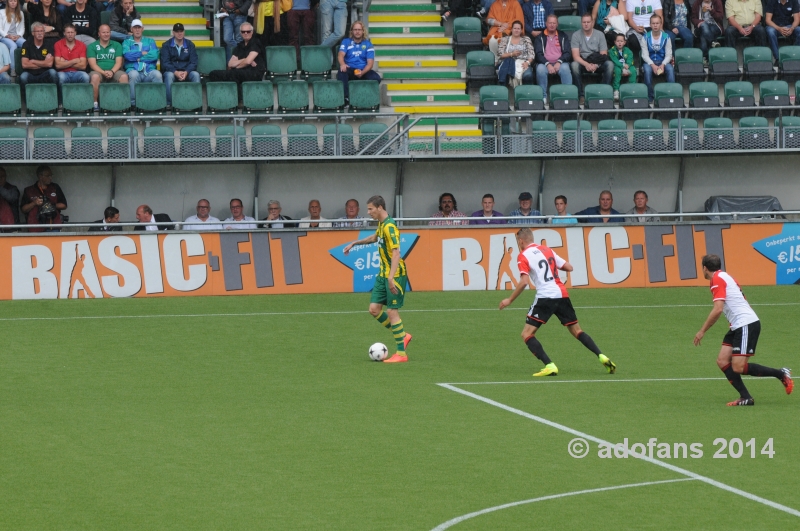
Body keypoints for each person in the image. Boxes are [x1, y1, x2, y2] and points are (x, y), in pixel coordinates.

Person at [499, 227, 617, 376]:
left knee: (527, 334)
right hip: (562, 294)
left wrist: (509, 299)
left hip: (545, 296)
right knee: (577, 331)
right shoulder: (547, 250)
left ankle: (549, 365)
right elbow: (569, 267)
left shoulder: (523, 256)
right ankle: (602, 356)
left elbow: (524, 282)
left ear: (521, 241)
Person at [693, 254, 793, 406]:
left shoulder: (716, 279)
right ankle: (746, 397)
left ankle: (781, 374)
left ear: (705, 268)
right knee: (722, 360)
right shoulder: (725, 276)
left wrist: (702, 331)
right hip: (738, 325)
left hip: (745, 324)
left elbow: (718, 309)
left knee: (738, 366)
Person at [343, 195, 413, 363]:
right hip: (383, 275)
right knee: (374, 309)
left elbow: (396, 253)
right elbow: (375, 238)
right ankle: (403, 335)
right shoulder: (382, 224)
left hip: (395, 275)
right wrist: (355, 243)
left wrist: (390, 278)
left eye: (370, 209)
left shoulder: (390, 227)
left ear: (380, 207)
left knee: (391, 311)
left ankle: (401, 354)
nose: (368, 212)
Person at [571, 13, 614, 101]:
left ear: (592, 22)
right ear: (581, 23)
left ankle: (603, 92)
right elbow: (575, 56)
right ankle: (581, 95)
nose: (586, 24)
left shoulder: (600, 34)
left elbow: (603, 54)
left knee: (609, 65)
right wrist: (587, 64)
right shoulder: (576, 35)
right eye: (584, 22)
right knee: (574, 65)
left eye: (588, 22)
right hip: (583, 62)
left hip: (598, 61)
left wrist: (596, 65)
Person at [337, 22, 380, 102]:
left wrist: (362, 72)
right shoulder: (346, 41)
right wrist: (342, 64)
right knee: (342, 72)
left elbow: (370, 63)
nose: (357, 32)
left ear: (363, 31)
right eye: (355, 29)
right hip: (350, 69)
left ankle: (367, 98)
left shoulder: (368, 44)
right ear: (352, 31)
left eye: (359, 30)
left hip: (363, 70)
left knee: (376, 78)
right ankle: (346, 99)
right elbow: (340, 55)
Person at [533, 14, 573, 103]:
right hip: (544, 64)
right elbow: (538, 54)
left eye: (554, 23)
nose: (552, 25)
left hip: (560, 63)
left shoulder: (563, 36)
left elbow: (567, 53)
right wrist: (547, 64)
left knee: (565, 68)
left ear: (557, 24)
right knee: (540, 69)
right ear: (546, 24)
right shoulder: (540, 37)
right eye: (550, 23)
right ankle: (543, 97)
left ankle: (568, 96)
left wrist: (559, 62)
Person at [88, 24, 128, 112]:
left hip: (114, 70)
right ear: (99, 34)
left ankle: (123, 104)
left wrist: (112, 71)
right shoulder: (92, 46)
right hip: (98, 71)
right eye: (103, 32)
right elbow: (93, 65)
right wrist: (103, 72)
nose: (106, 34)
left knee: (124, 76)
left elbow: (119, 62)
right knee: (94, 77)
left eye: (108, 32)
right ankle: (95, 104)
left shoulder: (117, 45)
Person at [123, 19, 161, 108]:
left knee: (158, 75)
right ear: (131, 29)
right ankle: (133, 103)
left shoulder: (150, 41)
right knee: (134, 75)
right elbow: (127, 55)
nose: (137, 30)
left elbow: (154, 55)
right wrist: (141, 53)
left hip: (148, 70)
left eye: (139, 27)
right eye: (135, 28)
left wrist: (139, 58)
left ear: (142, 29)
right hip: (133, 69)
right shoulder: (127, 42)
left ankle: (158, 102)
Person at [160, 23, 199, 108]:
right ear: (173, 33)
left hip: (186, 71)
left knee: (195, 75)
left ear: (184, 32)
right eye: (177, 31)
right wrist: (175, 72)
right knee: (169, 75)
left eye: (181, 31)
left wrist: (186, 72)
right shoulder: (166, 45)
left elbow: (194, 62)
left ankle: (196, 102)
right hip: (172, 71)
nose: (179, 33)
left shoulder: (190, 44)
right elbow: (165, 63)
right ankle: (169, 104)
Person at [20, 165, 67, 232]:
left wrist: (50, 205)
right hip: (35, 226)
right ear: (40, 177)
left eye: (51, 175)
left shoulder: (55, 187)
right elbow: (23, 209)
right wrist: (34, 203)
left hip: (53, 226)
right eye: (48, 176)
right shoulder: (29, 190)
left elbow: (64, 205)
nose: (50, 178)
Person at [641, 14, 674, 104]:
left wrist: (663, 64)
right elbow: (645, 55)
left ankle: (670, 95)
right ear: (650, 24)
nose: (655, 25)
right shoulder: (645, 37)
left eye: (657, 23)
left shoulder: (666, 37)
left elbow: (669, 55)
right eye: (653, 23)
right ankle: (650, 97)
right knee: (647, 71)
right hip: (649, 62)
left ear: (660, 24)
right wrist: (652, 65)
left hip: (663, 61)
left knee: (670, 69)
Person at [20, 23, 59, 90]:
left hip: (45, 73)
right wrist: (44, 63)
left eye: (42, 31)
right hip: (30, 73)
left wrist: (33, 61)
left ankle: (56, 97)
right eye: (37, 31)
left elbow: (49, 64)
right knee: (23, 77)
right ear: (33, 33)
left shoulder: (49, 44)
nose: (40, 33)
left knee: (53, 73)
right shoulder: (26, 44)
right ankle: (24, 99)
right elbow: (25, 64)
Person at [495, 20, 535, 87]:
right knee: (507, 72)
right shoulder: (505, 39)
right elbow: (500, 54)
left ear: (521, 30)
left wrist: (527, 62)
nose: (516, 30)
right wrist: (511, 54)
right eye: (515, 28)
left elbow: (531, 54)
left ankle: (526, 94)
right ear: (512, 29)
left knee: (528, 75)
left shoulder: (526, 39)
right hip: (508, 64)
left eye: (518, 28)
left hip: (523, 63)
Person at [55, 24, 90, 95]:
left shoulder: (82, 45)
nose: (70, 34)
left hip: (77, 72)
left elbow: (83, 66)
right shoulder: (58, 44)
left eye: (72, 32)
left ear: (75, 33)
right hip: (63, 73)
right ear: (64, 33)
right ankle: (62, 102)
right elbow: (58, 65)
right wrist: (74, 61)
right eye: (68, 32)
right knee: (61, 77)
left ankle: (82, 99)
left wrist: (65, 62)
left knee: (85, 76)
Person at [0, 0, 26, 75]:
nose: (13, 2)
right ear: (7, 2)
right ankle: (13, 69)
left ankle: (27, 68)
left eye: (15, 1)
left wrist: (19, 35)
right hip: (5, 36)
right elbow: (0, 28)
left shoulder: (21, 13)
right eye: (11, 1)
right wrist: (7, 35)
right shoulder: (1, 12)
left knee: (26, 44)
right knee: (13, 45)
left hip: (17, 36)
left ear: (17, 2)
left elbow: (22, 28)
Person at [610, 32, 636, 100]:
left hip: (626, 65)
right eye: (618, 41)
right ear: (615, 42)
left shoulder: (628, 50)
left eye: (621, 41)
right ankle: (616, 90)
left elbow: (630, 59)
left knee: (633, 70)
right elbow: (614, 60)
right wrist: (622, 67)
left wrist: (628, 65)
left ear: (624, 42)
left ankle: (632, 89)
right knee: (617, 71)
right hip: (617, 66)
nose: (619, 43)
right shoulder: (611, 50)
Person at [0, 166, 21, 231]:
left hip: (11, 227)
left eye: (2, 176)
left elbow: (12, 198)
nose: (0, 178)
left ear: (5, 177)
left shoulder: (12, 188)